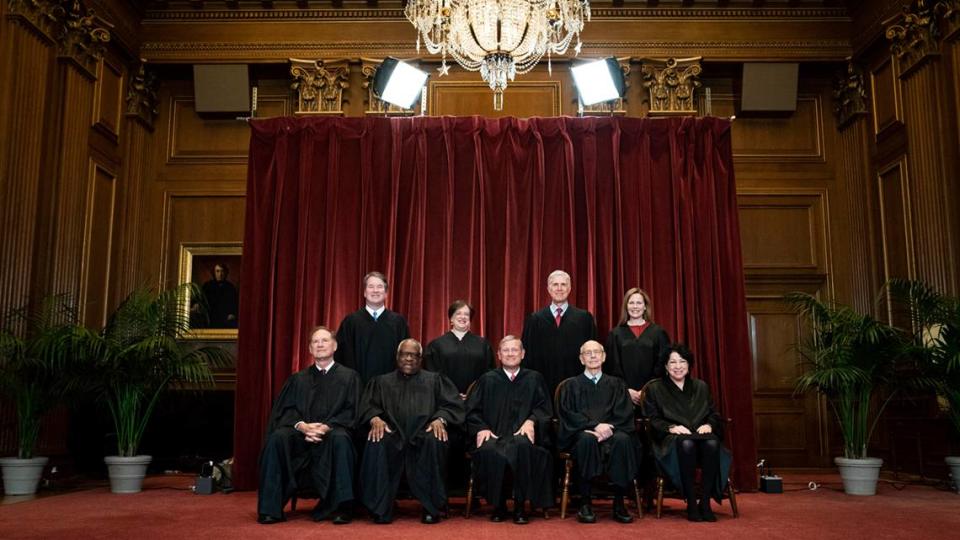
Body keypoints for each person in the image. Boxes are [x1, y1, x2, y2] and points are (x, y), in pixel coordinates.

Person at [257, 326, 362, 525]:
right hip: (301, 435)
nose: (320, 345)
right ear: (309, 349)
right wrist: (302, 426)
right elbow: (285, 412)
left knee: (342, 439)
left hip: (332, 433)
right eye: (315, 342)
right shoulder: (298, 379)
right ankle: (269, 509)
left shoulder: (350, 377)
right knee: (277, 439)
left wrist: (324, 427)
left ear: (335, 346)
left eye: (324, 340)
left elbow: (352, 412)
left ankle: (342, 508)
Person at [358, 339, 465, 524]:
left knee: (436, 440)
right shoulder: (381, 382)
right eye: (404, 354)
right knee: (377, 440)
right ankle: (381, 507)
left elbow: (452, 405)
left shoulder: (435, 380)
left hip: (424, 433)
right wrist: (375, 418)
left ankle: (431, 507)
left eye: (413, 355)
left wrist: (440, 419)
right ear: (397, 357)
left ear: (420, 358)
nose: (408, 359)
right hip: (392, 434)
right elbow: (368, 406)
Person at [465, 335, 553, 524]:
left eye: (515, 350)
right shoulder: (487, 379)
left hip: (522, 435)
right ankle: (499, 505)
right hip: (494, 433)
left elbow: (544, 409)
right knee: (490, 450)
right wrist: (481, 428)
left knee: (522, 447)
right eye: (506, 350)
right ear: (499, 354)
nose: (510, 354)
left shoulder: (534, 378)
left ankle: (520, 506)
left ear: (523, 354)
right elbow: (472, 410)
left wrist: (532, 421)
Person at [642, 344, 731, 522]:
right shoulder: (655, 388)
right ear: (666, 367)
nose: (678, 366)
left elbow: (713, 414)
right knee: (686, 443)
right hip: (670, 441)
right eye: (672, 362)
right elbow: (652, 419)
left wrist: (709, 425)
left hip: (700, 436)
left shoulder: (701, 386)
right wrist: (671, 428)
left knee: (712, 443)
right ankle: (691, 501)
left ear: (689, 365)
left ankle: (705, 502)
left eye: (682, 361)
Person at [557, 341, 638, 524]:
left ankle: (619, 503)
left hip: (613, 431)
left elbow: (624, 413)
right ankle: (585, 503)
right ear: (581, 359)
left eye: (596, 352)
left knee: (623, 440)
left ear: (603, 356)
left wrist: (607, 428)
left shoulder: (617, 384)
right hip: (582, 433)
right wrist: (594, 426)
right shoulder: (571, 386)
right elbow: (568, 414)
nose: (593, 356)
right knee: (586, 440)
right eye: (588, 353)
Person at [521, 269, 597, 394]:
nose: (559, 288)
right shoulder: (535, 320)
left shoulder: (584, 318)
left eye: (563, 284)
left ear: (570, 288)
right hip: (542, 387)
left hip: (577, 387)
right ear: (548, 289)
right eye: (555, 285)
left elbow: (593, 354)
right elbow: (527, 357)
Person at [335, 271, 411, 384]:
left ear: (386, 293)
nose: (375, 290)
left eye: (380, 287)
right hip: (357, 388)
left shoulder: (398, 322)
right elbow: (341, 357)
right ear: (365, 293)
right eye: (371, 287)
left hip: (391, 388)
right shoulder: (351, 322)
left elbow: (406, 356)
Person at [605, 288, 670, 408]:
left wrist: (646, 390)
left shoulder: (658, 333)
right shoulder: (615, 334)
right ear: (626, 306)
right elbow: (612, 366)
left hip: (653, 395)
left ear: (645, 306)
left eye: (639, 303)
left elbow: (662, 365)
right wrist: (626, 390)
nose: (635, 306)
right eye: (631, 303)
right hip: (622, 396)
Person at [424, 300, 495, 398]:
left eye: (466, 314)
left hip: (477, 400)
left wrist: (473, 393)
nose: (463, 317)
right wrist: (451, 394)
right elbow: (432, 375)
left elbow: (489, 374)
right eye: (458, 313)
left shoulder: (483, 344)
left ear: (470, 319)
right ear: (451, 319)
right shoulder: (436, 345)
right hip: (445, 400)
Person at [197, 263, 239, 328]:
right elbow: (200, 299)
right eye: (217, 271)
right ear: (214, 273)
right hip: (210, 316)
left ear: (225, 273)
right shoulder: (207, 285)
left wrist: (232, 313)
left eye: (222, 271)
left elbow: (235, 303)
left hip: (225, 317)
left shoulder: (230, 287)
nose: (220, 274)